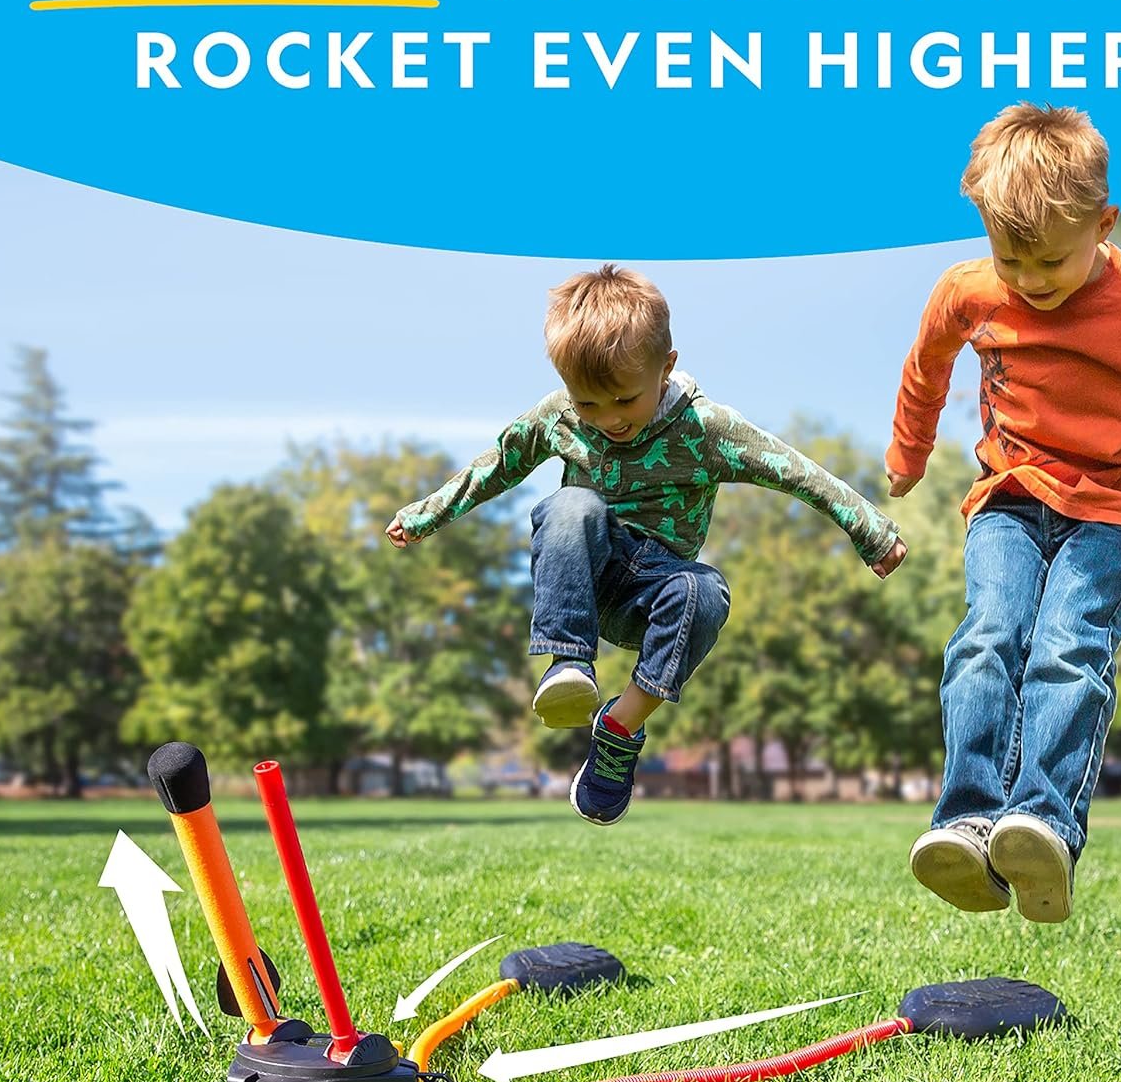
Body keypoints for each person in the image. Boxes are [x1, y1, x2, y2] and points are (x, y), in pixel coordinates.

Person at [888, 104, 1121, 922]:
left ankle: (1043, 824)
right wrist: (907, 456)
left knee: (1065, 652)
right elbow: (924, 369)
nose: (1030, 281)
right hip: (1008, 497)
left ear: (1104, 222)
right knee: (986, 640)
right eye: (1010, 258)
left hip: (1114, 510)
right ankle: (968, 819)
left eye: (1050, 260)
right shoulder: (970, 291)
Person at [389, 264, 907, 825]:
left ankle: (619, 730)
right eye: (588, 404)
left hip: (652, 593)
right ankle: (568, 666)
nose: (607, 419)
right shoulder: (557, 417)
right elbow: (496, 467)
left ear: (667, 368)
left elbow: (793, 470)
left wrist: (869, 528)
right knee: (572, 505)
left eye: (623, 401)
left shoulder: (705, 429)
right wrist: (426, 515)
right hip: (585, 578)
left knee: (706, 590)